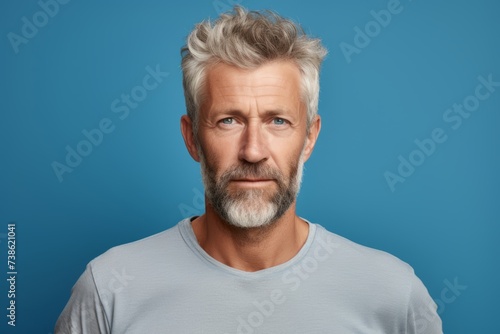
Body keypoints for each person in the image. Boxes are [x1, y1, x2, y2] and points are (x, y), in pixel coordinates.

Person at [55, 6, 442, 333]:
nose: (253, 151)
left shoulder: (393, 294)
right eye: (228, 120)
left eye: (278, 121)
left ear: (309, 137)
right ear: (192, 138)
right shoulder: (109, 291)